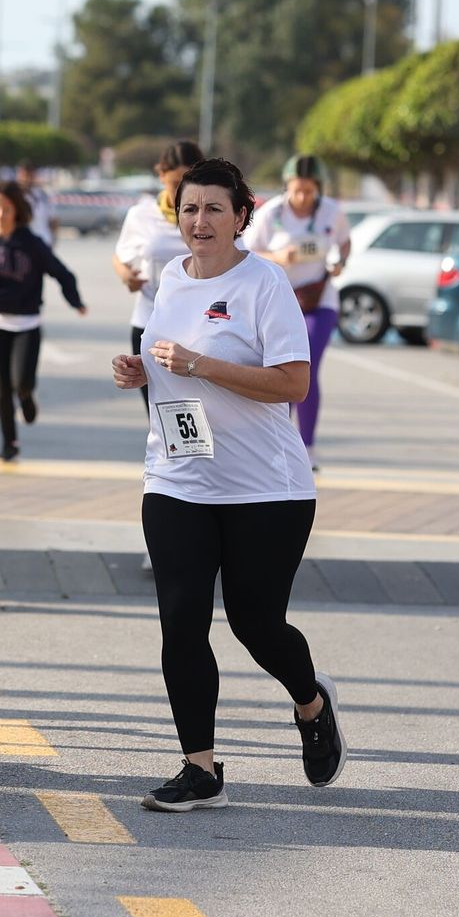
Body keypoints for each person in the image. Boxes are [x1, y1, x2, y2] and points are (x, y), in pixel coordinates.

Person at [110, 158, 346, 813]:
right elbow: (168, 362)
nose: (200, 221)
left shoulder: (263, 284)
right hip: (178, 475)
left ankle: (311, 702)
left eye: (215, 208)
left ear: (242, 217)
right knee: (181, 622)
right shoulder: (169, 279)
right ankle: (200, 767)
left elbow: (293, 383)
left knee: (255, 623)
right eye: (189, 209)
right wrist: (141, 372)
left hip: (266, 487)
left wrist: (201, 366)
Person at [243, 155, 351, 470]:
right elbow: (246, 251)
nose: (303, 197)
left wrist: (341, 261)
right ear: (287, 187)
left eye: (309, 191)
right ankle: (279, 442)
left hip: (320, 299)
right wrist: (277, 255)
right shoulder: (270, 213)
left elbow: (345, 242)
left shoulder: (332, 211)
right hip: (281, 301)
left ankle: (307, 446)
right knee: (282, 370)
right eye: (297, 190)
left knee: (307, 367)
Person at [0, 180, 85, 462]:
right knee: (1, 386)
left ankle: (27, 396)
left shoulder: (32, 243)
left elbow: (62, 273)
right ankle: (10, 444)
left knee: (21, 382)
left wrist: (75, 301)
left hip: (27, 325)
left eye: (6, 209)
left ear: (17, 211)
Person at [113, 141, 204, 415]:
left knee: (197, 413)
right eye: (175, 182)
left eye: (187, 181)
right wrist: (127, 277)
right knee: (158, 415)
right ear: (161, 174)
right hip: (149, 323)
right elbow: (120, 256)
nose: (180, 190)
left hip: (198, 327)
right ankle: (165, 459)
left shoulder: (208, 214)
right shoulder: (141, 215)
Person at [16, 161, 59, 245]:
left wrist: (54, 239)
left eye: (30, 175)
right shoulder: (16, 196)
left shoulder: (43, 195)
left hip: (44, 241)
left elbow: (53, 220)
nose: (27, 179)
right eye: (25, 175)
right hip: (24, 243)